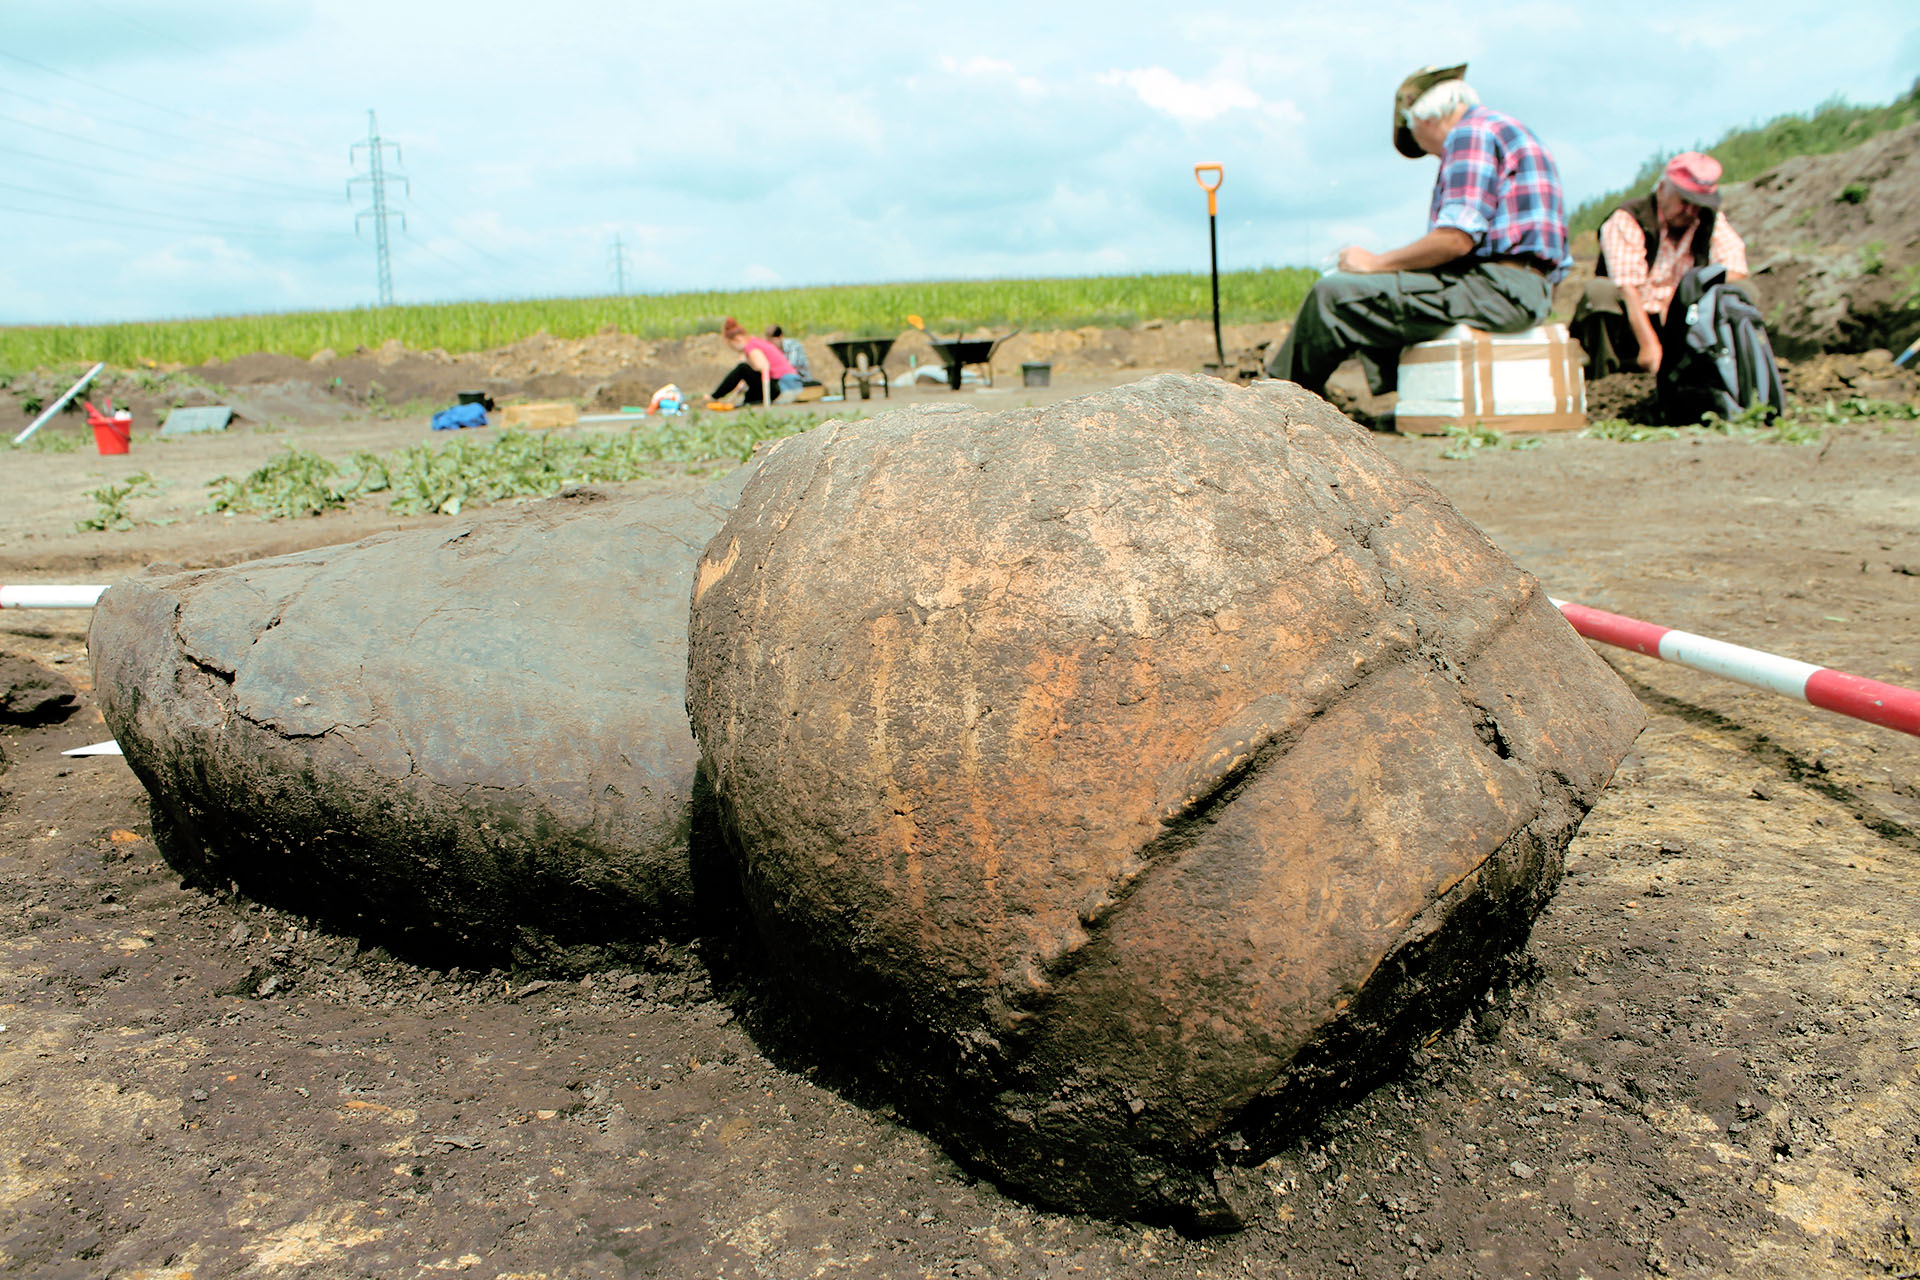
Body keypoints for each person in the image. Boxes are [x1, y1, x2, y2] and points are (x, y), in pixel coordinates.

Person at [1267, 64, 1571, 400]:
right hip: (1525, 289)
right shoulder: (1511, 131)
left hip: (1497, 288)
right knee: (1384, 291)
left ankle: (1276, 402)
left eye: (1419, 140)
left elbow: (1456, 239)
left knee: (1333, 296)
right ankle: (1406, 400)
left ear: (1424, 119)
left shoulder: (1469, 133)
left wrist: (1375, 263)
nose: (1430, 153)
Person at [1570, 152, 1751, 378]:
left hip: (1683, 319)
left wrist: (1692, 289)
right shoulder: (1629, 219)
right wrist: (1649, 345)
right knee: (1600, 292)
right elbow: (1628, 289)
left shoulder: (1707, 220)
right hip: (1631, 323)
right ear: (1663, 188)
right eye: (1684, 202)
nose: (1691, 212)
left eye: (1698, 205)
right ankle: (1609, 378)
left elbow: (1737, 269)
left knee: (1741, 291)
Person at [709, 317, 804, 406]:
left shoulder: (750, 346)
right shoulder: (757, 342)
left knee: (742, 369)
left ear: (737, 339)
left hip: (782, 385)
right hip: (790, 382)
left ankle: (714, 396)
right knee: (749, 396)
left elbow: (763, 366)